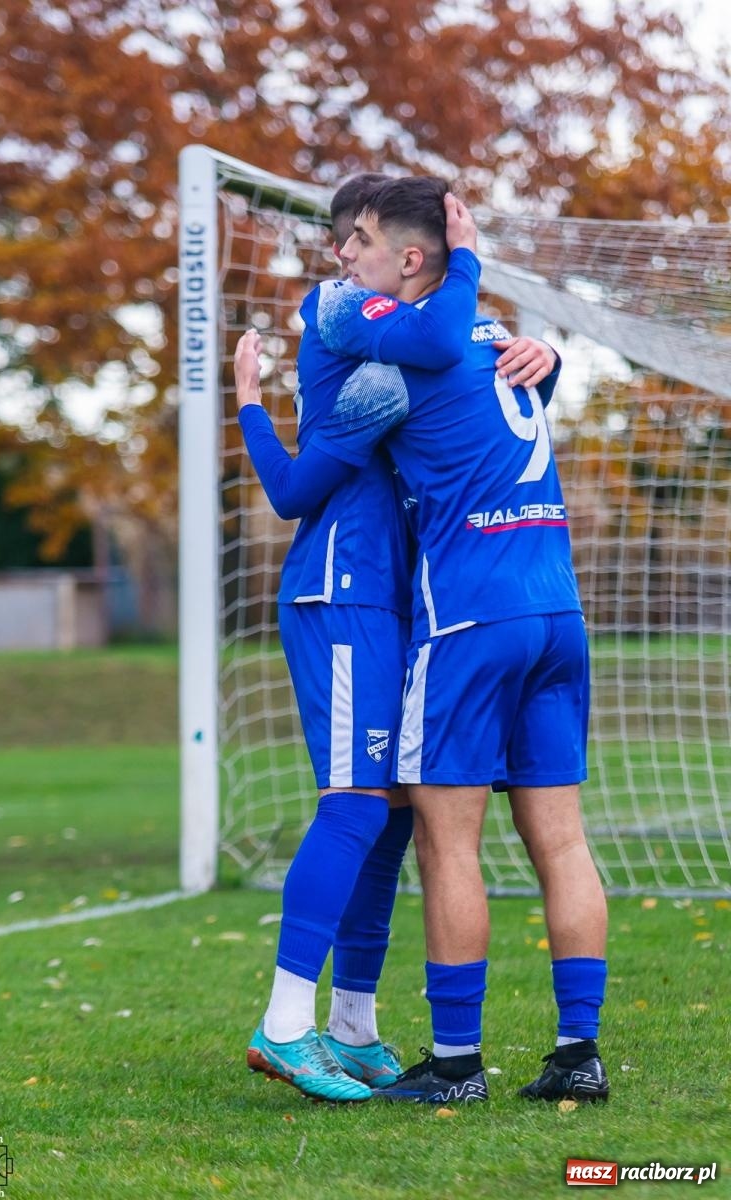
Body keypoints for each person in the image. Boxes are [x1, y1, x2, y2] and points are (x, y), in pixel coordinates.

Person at [237, 175, 608, 1106]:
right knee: (380, 807)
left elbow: (445, 346)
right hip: (386, 593)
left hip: (453, 613)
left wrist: (540, 351)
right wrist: (250, 408)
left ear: (407, 258)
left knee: (419, 824)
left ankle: (403, 1046)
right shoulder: (359, 326)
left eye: (356, 240)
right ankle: (299, 1023)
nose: (338, 259)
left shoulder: (423, 351)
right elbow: (298, 488)